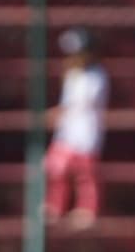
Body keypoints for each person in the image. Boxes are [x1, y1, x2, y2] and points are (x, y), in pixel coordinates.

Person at [44, 27, 109, 228]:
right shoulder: (72, 75)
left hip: (85, 132)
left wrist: (59, 112)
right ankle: (54, 206)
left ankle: (87, 210)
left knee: (85, 174)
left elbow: (82, 102)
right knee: (56, 169)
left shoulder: (96, 76)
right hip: (67, 131)